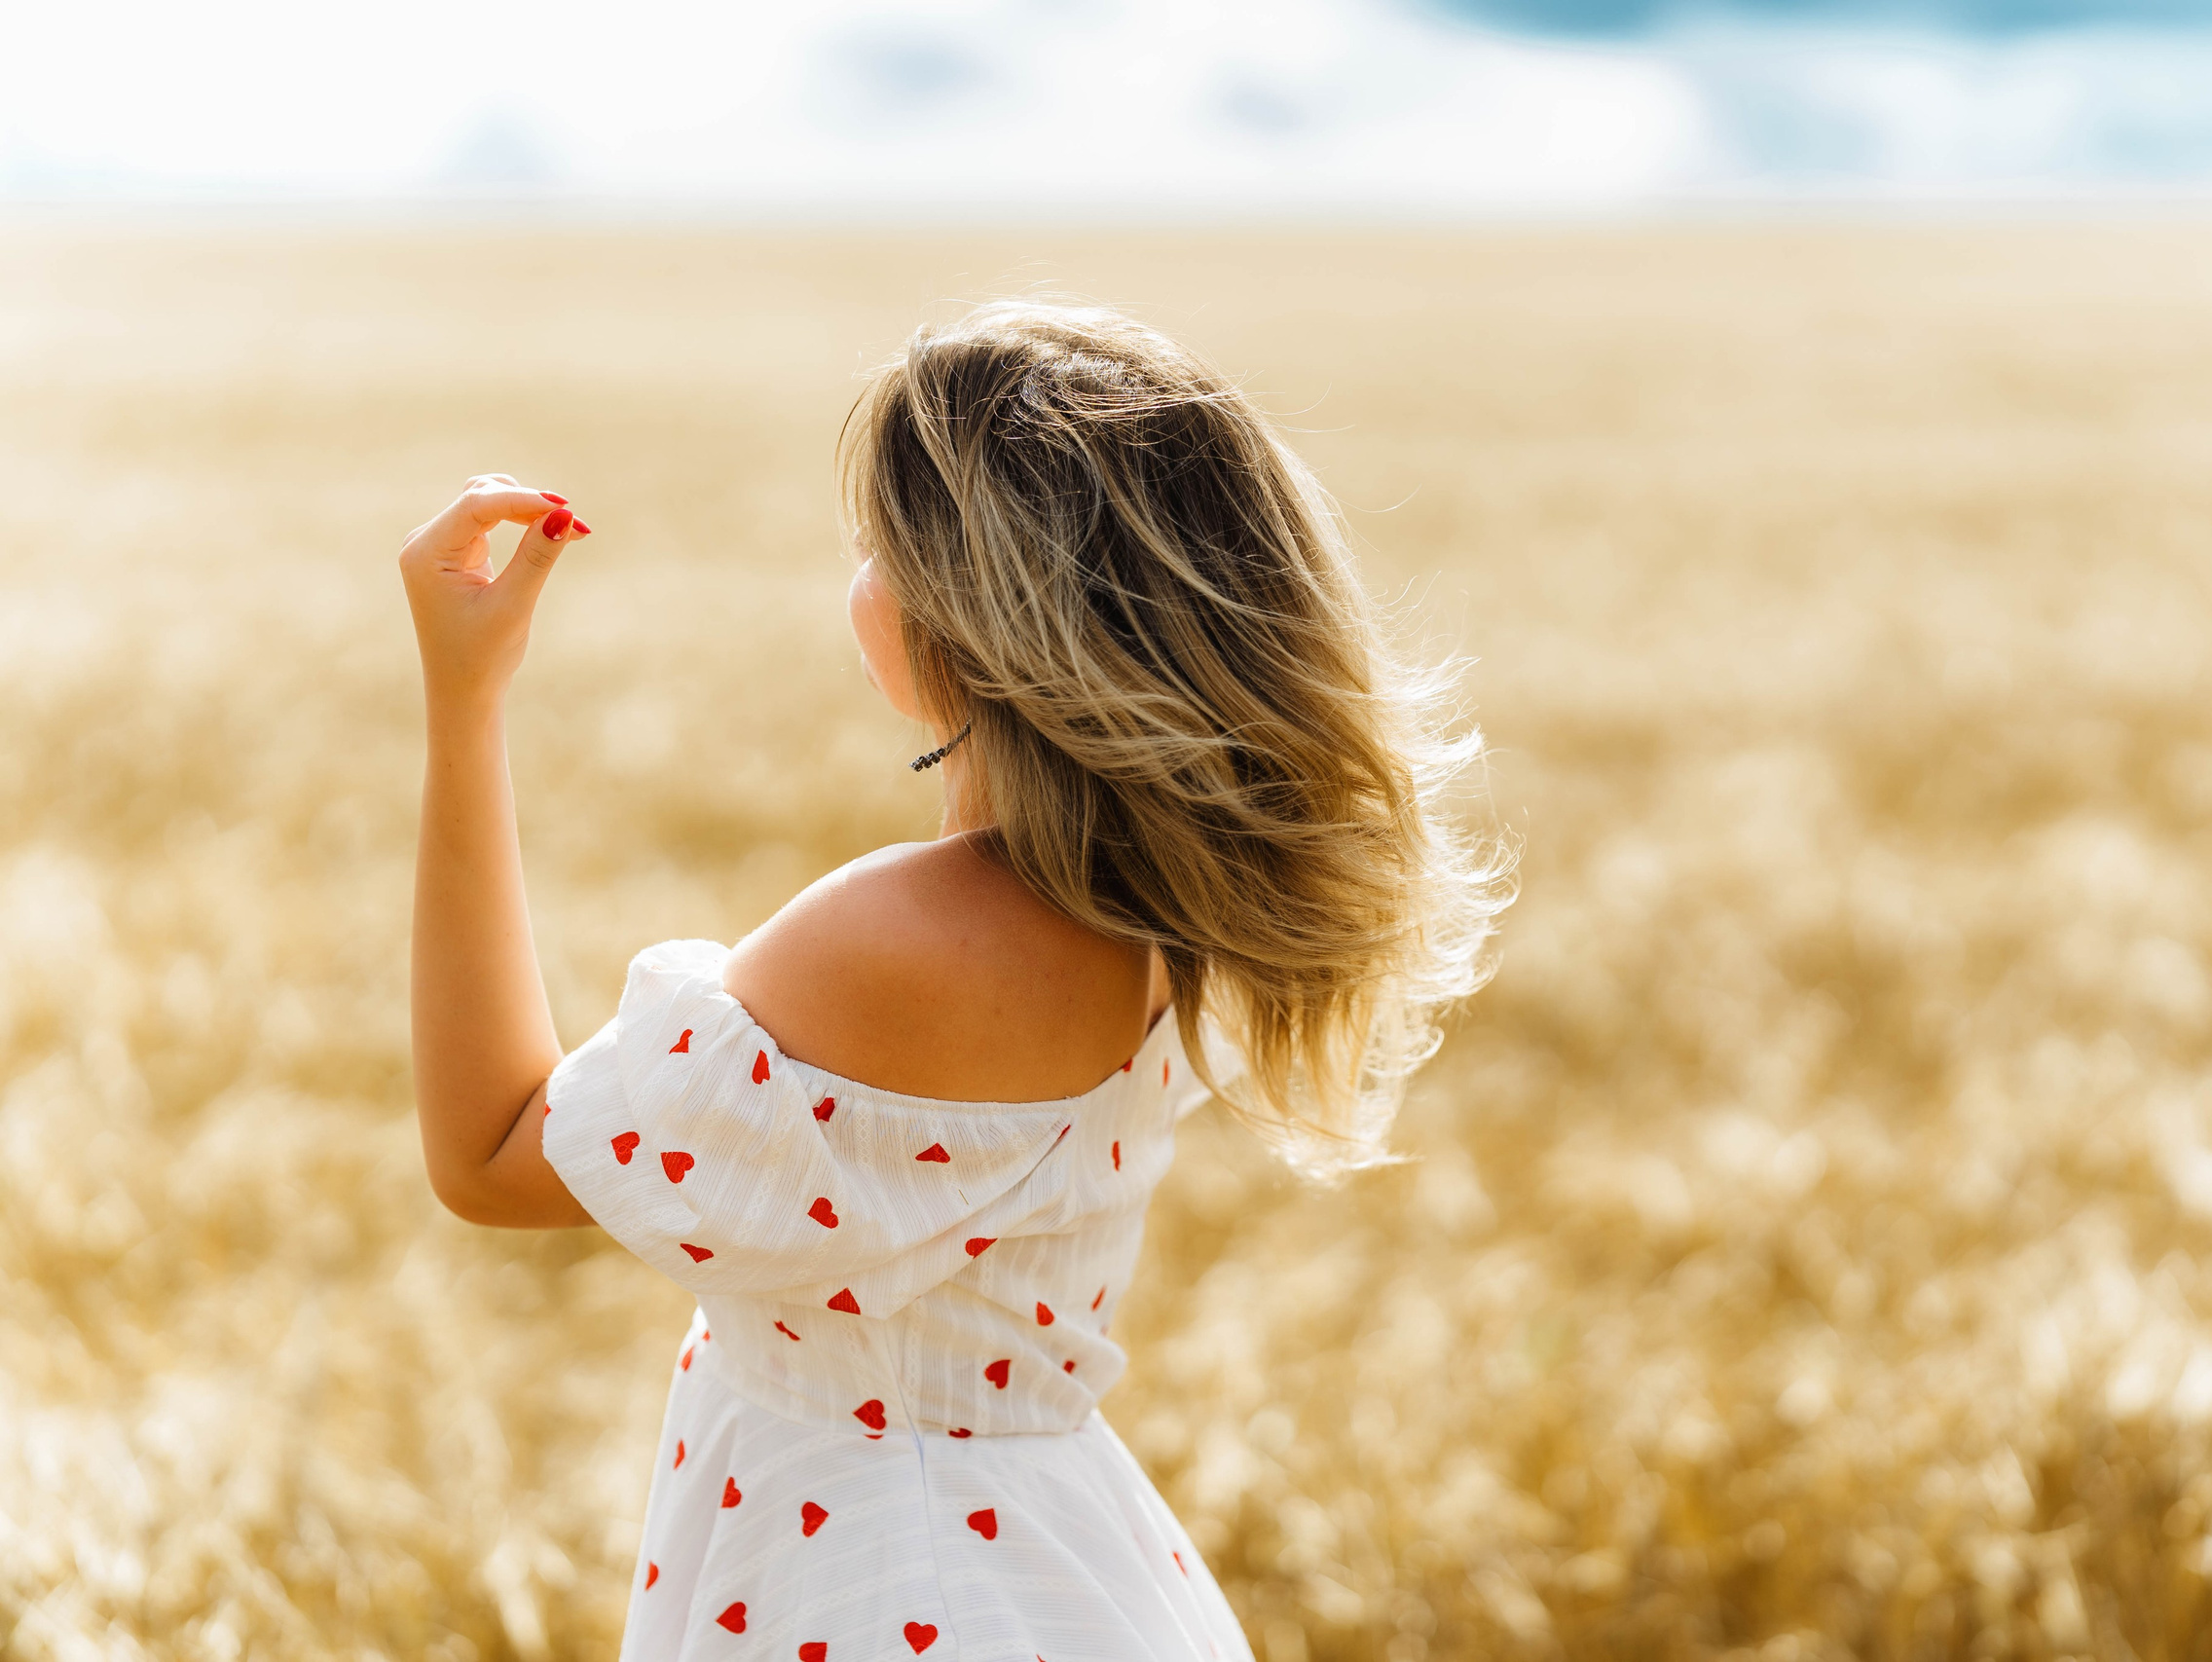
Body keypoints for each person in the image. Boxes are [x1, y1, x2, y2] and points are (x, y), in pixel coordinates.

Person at [396, 301, 1504, 1660]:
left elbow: (492, 1151)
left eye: (882, 544)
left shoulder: (898, 939)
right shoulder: (1163, 910)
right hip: (1057, 1568)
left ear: (973, 610)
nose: (858, 575)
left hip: (880, 1588)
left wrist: (466, 700)